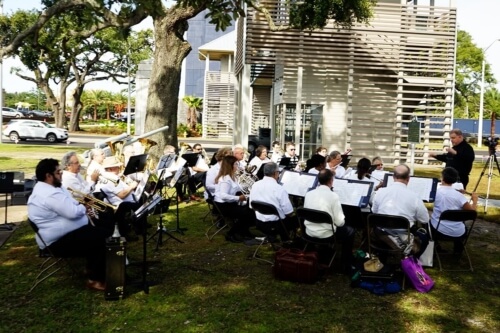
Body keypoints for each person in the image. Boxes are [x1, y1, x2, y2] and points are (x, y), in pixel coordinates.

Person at [27, 158, 109, 291]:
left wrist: (81, 207)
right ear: (48, 176)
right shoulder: (49, 194)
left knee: (100, 230)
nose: (61, 174)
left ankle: (92, 268)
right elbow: (73, 213)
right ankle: (95, 280)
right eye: (58, 172)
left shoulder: (53, 187)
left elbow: (73, 204)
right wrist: (84, 208)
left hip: (64, 234)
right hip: (56, 242)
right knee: (101, 238)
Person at [372, 164, 429, 257]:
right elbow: (425, 219)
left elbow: (374, 212)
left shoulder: (380, 192)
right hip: (403, 234)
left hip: (381, 233)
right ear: (408, 178)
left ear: (393, 177)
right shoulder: (415, 196)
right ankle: (409, 261)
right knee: (424, 238)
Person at [303, 169, 354, 273]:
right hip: (327, 235)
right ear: (331, 181)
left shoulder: (309, 193)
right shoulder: (333, 196)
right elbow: (340, 223)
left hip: (308, 232)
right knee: (351, 231)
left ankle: (315, 250)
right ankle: (345, 264)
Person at [430, 167, 478, 254]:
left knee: (425, 222)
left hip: (437, 230)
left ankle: (435, 246)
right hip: (458, 232)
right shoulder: (459, 196)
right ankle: (457, 251)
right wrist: (475, 201)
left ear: (442, 178)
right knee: (463, 223)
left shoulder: (435, 192)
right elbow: (472, 212)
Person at [249, 162, 297, 241]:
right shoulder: (279, 189)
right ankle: (287, 241)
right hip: (276, 225)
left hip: (259, 223)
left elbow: (252, 206)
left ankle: (279, 238)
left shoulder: (255, 185)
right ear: (276, 173)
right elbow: (289, 213)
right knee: (298, 219)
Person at [214, 155, 255, 242]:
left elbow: (239, 188)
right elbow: (223, 196)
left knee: (251, 211)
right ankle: (231, 234)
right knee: (246, 214)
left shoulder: (233, 176)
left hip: (230, 203)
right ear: (230, 166)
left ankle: (244, 232)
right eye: (236, 164)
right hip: (223, 205)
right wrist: (239, 198)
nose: (238, 166)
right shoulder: (225, 179)